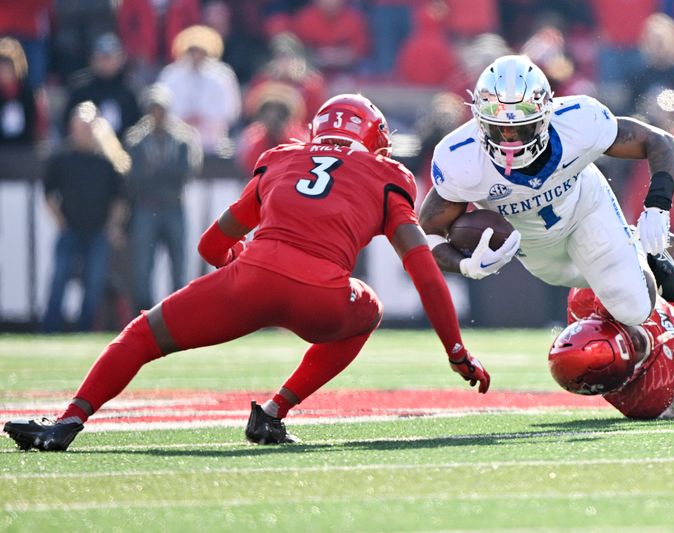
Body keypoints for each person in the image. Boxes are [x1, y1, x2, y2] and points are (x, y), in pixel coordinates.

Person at [4, 94, 490, 452]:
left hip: (252, 276)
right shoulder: (389, 176)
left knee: (142, 334)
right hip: (321, 297)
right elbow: (423, 270)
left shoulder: (280, 158)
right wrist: (455, 349)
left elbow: (211, 244)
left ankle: (67, 422)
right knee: (369, 308)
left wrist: (247, 277)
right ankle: (274, 412)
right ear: (375, 138)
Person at [419, 55, 674, 328]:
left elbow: (660, 142)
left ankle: (637, 256)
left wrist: (657, 207)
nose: (510, 141)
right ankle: (625, 257)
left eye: (521, 127)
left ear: (546, 116)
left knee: (632, 309)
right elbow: (427, 233)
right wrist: (465, 266)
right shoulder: (461, 157)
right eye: (499, 130)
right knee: (590, 285)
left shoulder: (578, 120)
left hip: (585, 211)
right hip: (536, 251)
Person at [548, 264, 674, 419]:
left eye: (627, 333)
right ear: (626, 377)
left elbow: (636, 264)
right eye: (636, 352)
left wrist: (658, 260)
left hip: (673, 314)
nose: (640, 341)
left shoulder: (589, 296)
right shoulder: (649, 391)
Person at [41, 101, 129, 333]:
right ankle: (49, 330)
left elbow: (120, 198)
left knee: (94, 284)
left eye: (89, 127)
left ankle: (85, 330)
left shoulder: (108, 161)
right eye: (80, 127)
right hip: (70, 229)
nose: (85, 132)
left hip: (98, 231)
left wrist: (113, 226)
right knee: (59, 280)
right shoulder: (61, 157)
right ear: (71, 127)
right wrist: (59, 221)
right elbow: (49, 193)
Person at [125, 84, 203, 312]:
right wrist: (163, 174)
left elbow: (186, 172)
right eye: (153, 109)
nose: (157, 115)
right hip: (147, 206)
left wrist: (155, 173)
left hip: (173, 205)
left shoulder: (182, 139)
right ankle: (141, 313)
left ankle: (179, 312)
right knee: (142, 266)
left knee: (179, 264)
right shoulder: (136, 139)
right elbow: (135, 176)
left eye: (161, 109)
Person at [158, 25, 240, 155]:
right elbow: (161, 107)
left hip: (212, 144)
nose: (196, 55)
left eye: (200, 51)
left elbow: (231, 111)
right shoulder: (171, 75)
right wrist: (182, 118)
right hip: (176, 144)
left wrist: (204, 118)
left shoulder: (222, 77)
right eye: (192, 50)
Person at [62, 33, 141, 137]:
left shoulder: (130, 90)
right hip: (89, 150)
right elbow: (68, 125)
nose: (105, 62)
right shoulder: (80, 90)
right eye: (101, 58)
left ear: (120, 59)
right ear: (92, 60)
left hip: (125, 148)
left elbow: (139, 127)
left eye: (109, 58)